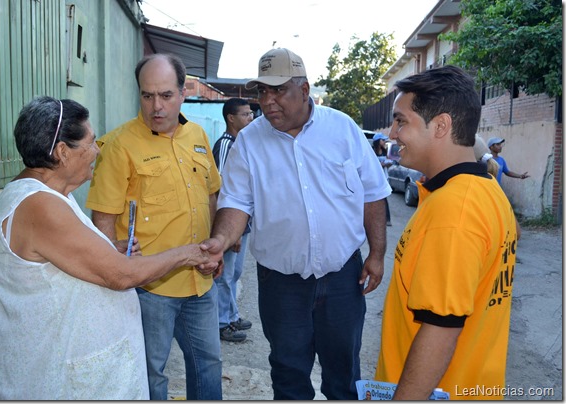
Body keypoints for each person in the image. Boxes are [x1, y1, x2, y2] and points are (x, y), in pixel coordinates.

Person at [0, 96, 213, 400]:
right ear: (63, 152)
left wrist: (107, 250)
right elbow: (122, 276)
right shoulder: (38, 205)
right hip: (64, 381)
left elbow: (61, 261)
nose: (96, 151)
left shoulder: (48, 195)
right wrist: (190, 253)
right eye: (90, 143)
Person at [199, 47, 392, 400]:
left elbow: (373, 193)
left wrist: (376, 253)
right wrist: (221, 241)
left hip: (341, 277)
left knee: (344, 374)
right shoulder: (249, 142)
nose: (268, 101)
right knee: (288, 374)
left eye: (278, 90)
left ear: (304, 90)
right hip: (281, 284)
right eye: (262, 91)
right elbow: (236, 203)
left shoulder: (342, 128)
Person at [374, 65, 519, 399]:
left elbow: (440, 331)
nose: (393, 134)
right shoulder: (483, 189)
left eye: (401, 121)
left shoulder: (455, 209)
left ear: (440, 126)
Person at [85, 53, 223, 400]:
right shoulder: (119, 146)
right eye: (147, 96)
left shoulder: (198, 135)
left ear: (182, 93)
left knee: (207, 364)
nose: (156, 106)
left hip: (200, 281)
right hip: (149, 289)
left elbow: (211, 196)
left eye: (165, 95)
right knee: (150, 374)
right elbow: (102, 220)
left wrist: (213, 248)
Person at [212, 97, 254, 342]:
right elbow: (222, 190)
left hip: (242, 224)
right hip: (231, 224)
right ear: (231, 118)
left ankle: (231, 314)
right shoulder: (227, 144)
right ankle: (221, 323)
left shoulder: (241, 143)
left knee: (234, 274)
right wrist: (232, 232)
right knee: (225, 275)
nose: (250, 118)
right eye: (246, 114)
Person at [372, 132, 394, 226]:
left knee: (383, 197)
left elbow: (390, 162)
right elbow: (371, 165)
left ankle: (387, 219)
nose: (384, 142)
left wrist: (385, 164)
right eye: (383, 140)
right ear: (378, 141)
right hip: (374, 179)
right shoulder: (372, 152)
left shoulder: (386, 151)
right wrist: (381, 164)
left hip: (383, 178)